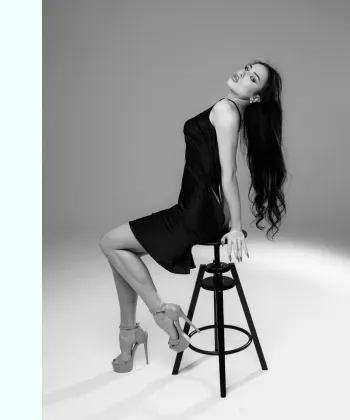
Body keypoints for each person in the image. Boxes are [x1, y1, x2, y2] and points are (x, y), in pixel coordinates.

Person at [99, 59, 288, 373]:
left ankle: (162, 313)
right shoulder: (231, 110)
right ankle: (129, 334)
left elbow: (229, 174)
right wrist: (225, 221)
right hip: (199, 209)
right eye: (246, 69)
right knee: (121, 255)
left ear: (255, 96)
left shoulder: (226, 111)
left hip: (195, 212)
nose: (242, 73)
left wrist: (235, 227)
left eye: (252, 77)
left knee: (110, 243)